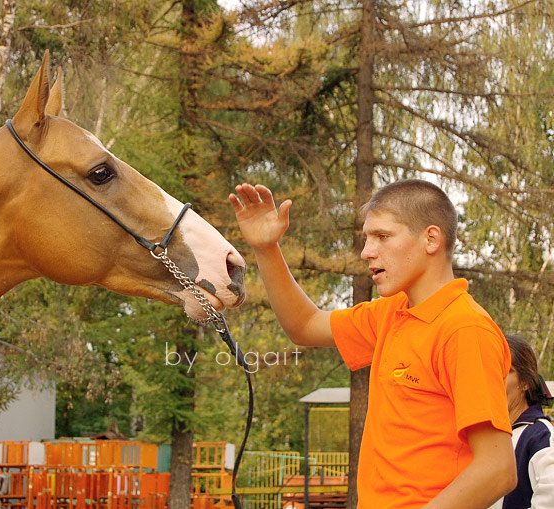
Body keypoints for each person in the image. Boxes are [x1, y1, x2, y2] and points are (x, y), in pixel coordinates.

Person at [229, 180, 517, 508]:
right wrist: (267, 248)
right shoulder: (390, 314)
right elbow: (305, 326)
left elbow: (497, 469)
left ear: (431, 239)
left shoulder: (464, 329)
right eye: (367, 238)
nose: (366, 251)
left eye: (382, 236)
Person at [489, 334, 554, 509]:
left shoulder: (540, 436)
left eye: (503, 370)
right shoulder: (484, 435)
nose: (493, 380)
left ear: (525, 382)